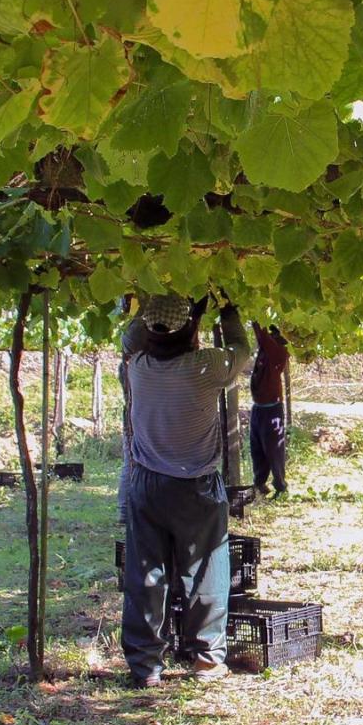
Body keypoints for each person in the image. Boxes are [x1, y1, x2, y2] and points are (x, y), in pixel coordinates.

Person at [119, 291, 251, 689]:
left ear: (150, 332)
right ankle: (207, 660)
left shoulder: (137, 368)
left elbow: (131, 340)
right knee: (206, 569)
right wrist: (228, 311)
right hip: (197, 486)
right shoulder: (207, 366)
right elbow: (241, 350)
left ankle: (146, 668)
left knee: (145, 572)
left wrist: (145, 310)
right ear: (191, 331)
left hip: (146, 485)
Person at [249, 321, 290, 499]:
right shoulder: (267, 353)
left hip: (271, 411)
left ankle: (280, 487)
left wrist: (257, 319)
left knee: (274, 449)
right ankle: (260, 483)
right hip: (259, 409)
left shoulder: (277, 353)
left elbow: (262, 337)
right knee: (257, 447)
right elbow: (262, 340)